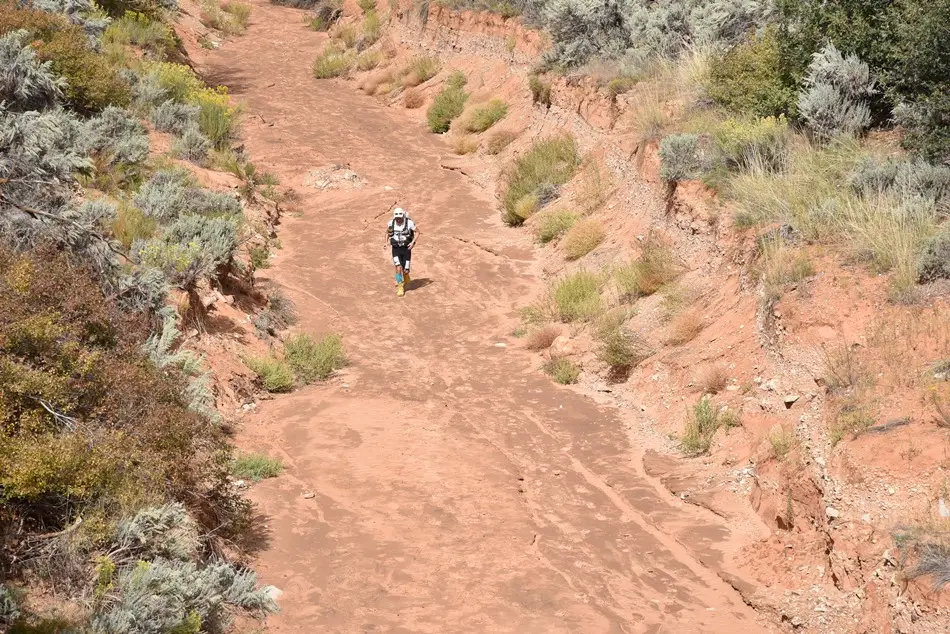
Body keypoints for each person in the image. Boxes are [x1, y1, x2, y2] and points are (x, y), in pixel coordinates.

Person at [385, 207, 418, 297]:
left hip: (406, 249)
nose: (398, 220)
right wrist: (385, 242)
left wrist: (413, 242)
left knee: (405, 270)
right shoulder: (391, 223)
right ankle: (400, 286)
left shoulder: (409, 223)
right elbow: (387, 232)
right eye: (397, 218)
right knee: (398, 267)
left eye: (400, 218)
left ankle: (406, 275)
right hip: (396, 249)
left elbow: (417, 232)